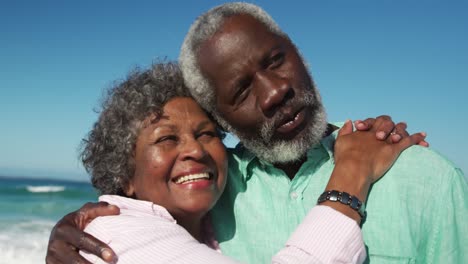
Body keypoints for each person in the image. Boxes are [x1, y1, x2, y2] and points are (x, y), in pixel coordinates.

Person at [46, 2, 467, 263]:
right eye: (242, 90)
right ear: (223, 117)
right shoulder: (209, 197)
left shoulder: (426, 179)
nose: (275, 92)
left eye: (276, 60)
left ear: (299, 53)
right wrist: (77, 228)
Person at [65, 61, 423, 264]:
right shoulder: (110, 234)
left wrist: (345, 135)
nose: (196, 151)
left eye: (208, 134)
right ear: (124, 174)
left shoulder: (209, 227)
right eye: (166, 138)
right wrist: (351, 172)